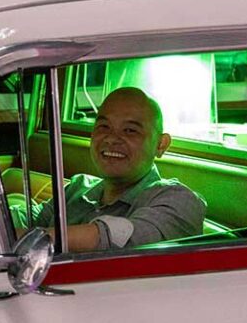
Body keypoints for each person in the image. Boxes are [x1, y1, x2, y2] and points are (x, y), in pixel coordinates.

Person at [23, 87, 206, 252]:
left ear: (161, 144)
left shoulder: (180, 201)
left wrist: (28, 239)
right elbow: (31, 218)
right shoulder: (77, 188)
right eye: (104, 127)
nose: (111, 139)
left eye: (130, 130)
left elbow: (118, 240)